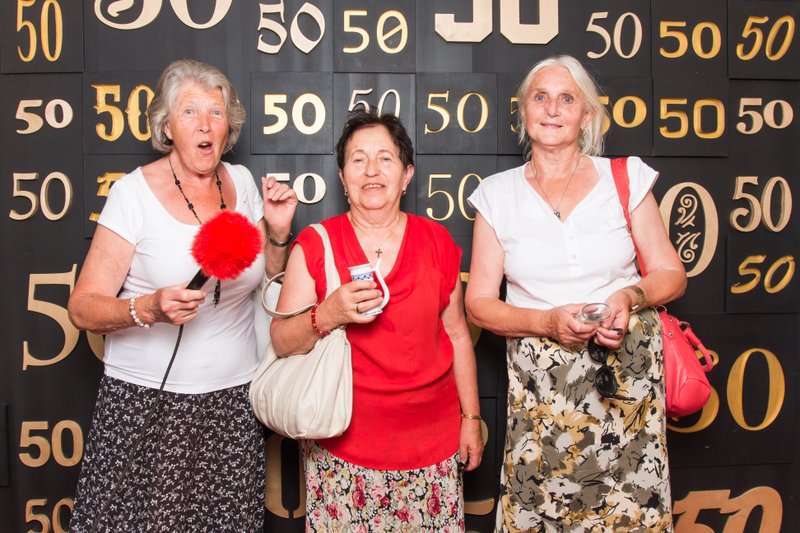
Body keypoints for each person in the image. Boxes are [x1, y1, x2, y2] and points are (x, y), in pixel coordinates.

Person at [67, 59, 297, 531]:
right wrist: (148, 307)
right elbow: (83, 307)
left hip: (232, 404)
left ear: (228, 127)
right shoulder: (132, 194)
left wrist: (277, 234)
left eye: (216, 112)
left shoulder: (243, 184)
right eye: (189, 111)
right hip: (146, 404)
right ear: (167, 126)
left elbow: (267, 279)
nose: (204, 124)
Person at [465, 55, 687, 531]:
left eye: (567, 99)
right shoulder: (496, 194)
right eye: (540, 97)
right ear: (523, 111)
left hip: (624, 396)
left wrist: (629, 297)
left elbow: (671, 273)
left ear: (587, 115)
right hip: (542, 402)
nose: (552, 109)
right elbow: (479, 304)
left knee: (629, 517)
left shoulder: (625, 178)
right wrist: (545, 322)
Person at [270, 111, 483, 531]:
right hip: (341, 453)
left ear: (407, 175)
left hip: (434, 452)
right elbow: (281, 340)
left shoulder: (437, 242)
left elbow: (458, 335)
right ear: (342, 177)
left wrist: (471, 420)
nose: (371, 170)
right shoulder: (316, 244)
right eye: (358, 159)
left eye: (385, 159)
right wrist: (329, 312)